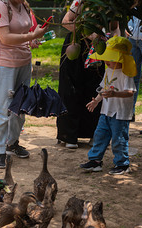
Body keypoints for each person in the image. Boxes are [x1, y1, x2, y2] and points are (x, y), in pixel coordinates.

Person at [0, 0, 49, 169]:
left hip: (23, 61)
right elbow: (5, 37)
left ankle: (12, 143)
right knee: (3, 108)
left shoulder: (24, 6)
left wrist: (31, 41)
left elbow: (25, 31)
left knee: (21, 106)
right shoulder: (0, 6)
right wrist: (31, 36)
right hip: (3, 63)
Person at [56, 0, 119, 149]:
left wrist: (114, 42)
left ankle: (94, 134)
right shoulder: (81, 2)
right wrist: (89, 35)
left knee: (95, 88)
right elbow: (66, 21)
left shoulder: (113, 5)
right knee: (70, 89)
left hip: (100, 48)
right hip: (76, 45)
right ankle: (69, 135)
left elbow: (115, 28)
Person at [79, 36, 137, 175]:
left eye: (110, 59)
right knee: (99, 135)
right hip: (106, 111)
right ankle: (95, 161)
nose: (106, 61)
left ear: (121, 58)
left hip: (120, 113)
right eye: (105, 58)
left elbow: (130, 92)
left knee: (119, 139)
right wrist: (96, 101)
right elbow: (103, 89)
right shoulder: (108, 70)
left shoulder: (125, 74)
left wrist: (115, 94)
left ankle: (123, 164)